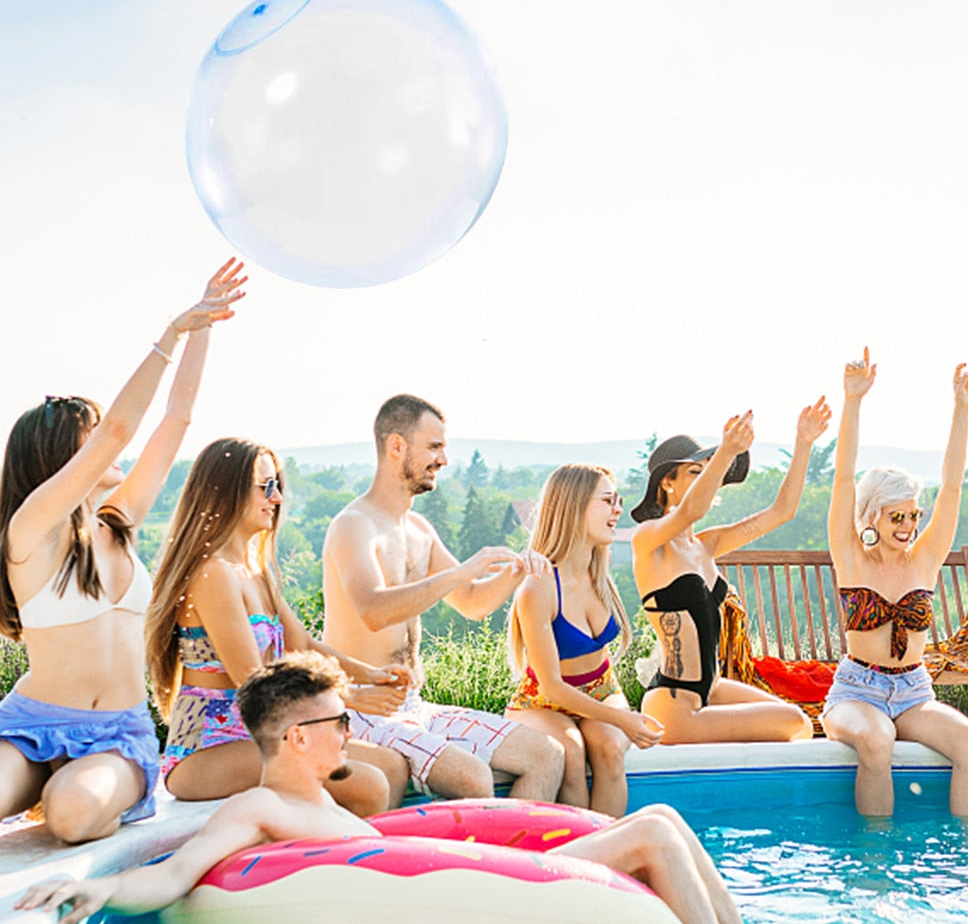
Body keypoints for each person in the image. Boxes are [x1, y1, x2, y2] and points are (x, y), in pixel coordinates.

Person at [16, 651, 743, 924]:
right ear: (296, 737)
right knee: (649, 827)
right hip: (484, 896)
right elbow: (176, 871)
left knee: (664, 820)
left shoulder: (325, 801)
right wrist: (101, 890)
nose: (348, 733)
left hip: (478, 883)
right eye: (338, 721)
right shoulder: (262, 805)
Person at [0, 259, 245, 842]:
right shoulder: (28, 530)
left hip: (116, 733)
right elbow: (121, 432)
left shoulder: (117, 522)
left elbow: (177, 418)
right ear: (63, 454)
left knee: (72, 815)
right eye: (97, 429)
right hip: (31, 724)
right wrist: (169, 332)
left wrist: (203, 322)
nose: (113, 436)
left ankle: (63, 788)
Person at [144, 436, 413, 816]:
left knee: (393, 766)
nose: (277, 499)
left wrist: (373, 675)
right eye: (265, 487)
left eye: (278, 487)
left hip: (261, 737)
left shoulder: (255, 573)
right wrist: (349, 697)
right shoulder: (212, 574)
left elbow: (303, 643)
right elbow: (252, 681)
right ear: (227, 491)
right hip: (205, 750)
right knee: (368, 783)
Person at [322, 394, 564, 803]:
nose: (444, 460)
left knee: (546, 755)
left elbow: (471, 602)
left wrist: (516, 571)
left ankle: (513, 864)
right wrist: (461, 570)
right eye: (434, 447)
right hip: (364, 709)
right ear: (397, 445)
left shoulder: (419, 528)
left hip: (416, 706)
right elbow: (373, 612)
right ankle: (476, 864)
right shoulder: (354, 526)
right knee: (471, 777)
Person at [821, 349, 968, 818]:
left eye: (913, 515)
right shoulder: (851, 556)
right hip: (857, 691)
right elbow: (841, 478)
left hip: (914, 691)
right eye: (898, 515)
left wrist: (961, 410)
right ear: (872, 513)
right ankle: (876, 859)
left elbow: (952, 487)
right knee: (878, 739)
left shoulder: (925, 559)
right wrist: (852, 401)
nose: (910, 525)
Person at [631, 399, 831, 745]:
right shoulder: (649, 542)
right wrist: (725, 452)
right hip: (674, 705)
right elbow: (691, 509)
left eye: (708, 474)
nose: (708, 479)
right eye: (697, 472)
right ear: (667, 483)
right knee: (789, 722)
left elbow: (782, 511)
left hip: (713, 688)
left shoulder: (707, 545)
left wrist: (803, 443)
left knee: (802, 723)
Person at [506, 464, 662, 816]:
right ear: (574, 506)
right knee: (572, 752)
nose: (618, 509)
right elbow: (552, 688)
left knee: (607, 750)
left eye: (617, 500)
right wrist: (624, 720)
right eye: (608, 501)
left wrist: (616, 718)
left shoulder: (598, 572)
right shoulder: (539, 586)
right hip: (543, 703)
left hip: (603, 691)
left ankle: (610, 854)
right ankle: (580, 854)